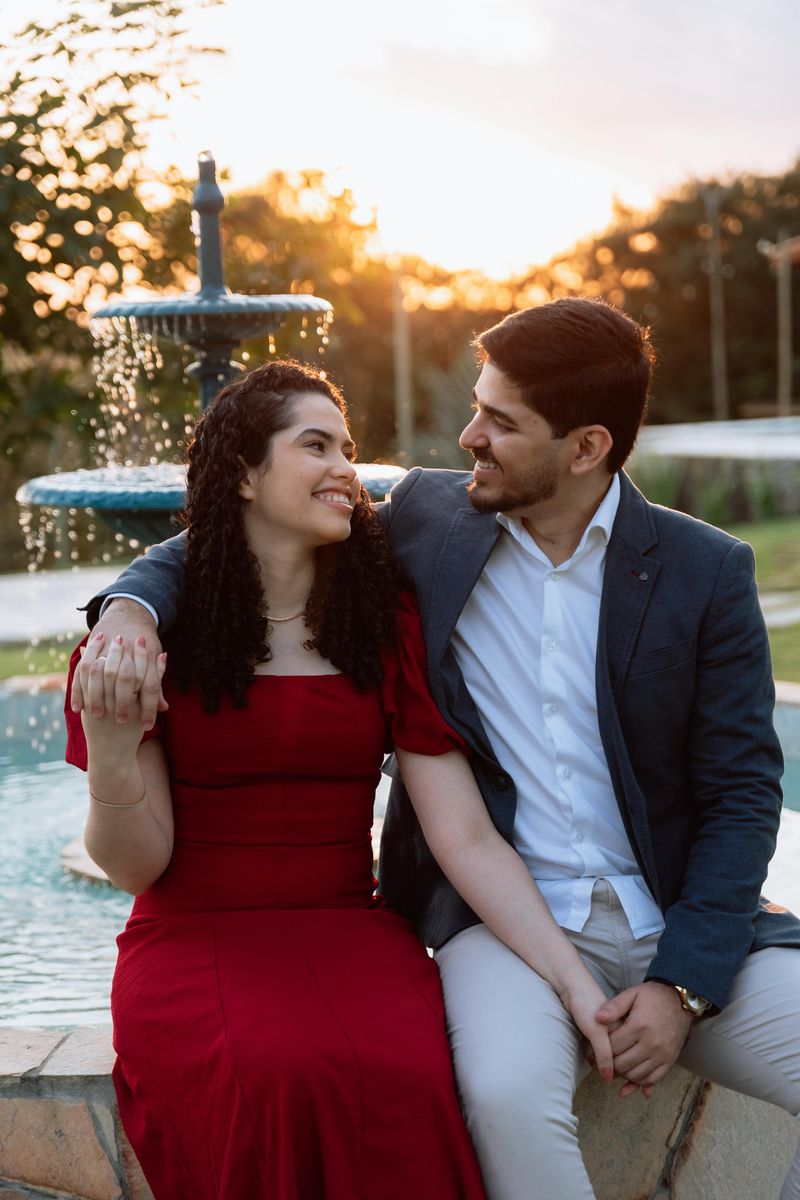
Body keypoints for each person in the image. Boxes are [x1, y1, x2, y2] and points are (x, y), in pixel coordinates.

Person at [72, 302, 800, 1200]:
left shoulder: (705, 569)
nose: (469, 436)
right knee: (501, 1095)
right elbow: (237, 531)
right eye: (477, 406)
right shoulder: (428, 521)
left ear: (586, 448)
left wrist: (683, 985)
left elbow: (743, 796)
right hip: (503, 925)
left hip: (674, 917)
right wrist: (132, 606)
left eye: (500, 421)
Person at [65, 357, 619, 1200]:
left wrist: (575, 983)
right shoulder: (143, 645)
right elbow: (137, 867)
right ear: (244, 473)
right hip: (196, 936)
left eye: (347, 449)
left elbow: (465, 837)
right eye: (315, 446)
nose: (344, 470)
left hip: (347, 925)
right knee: (271, 1073)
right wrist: (111, 749)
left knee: (408, 1075)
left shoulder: (380, 621)